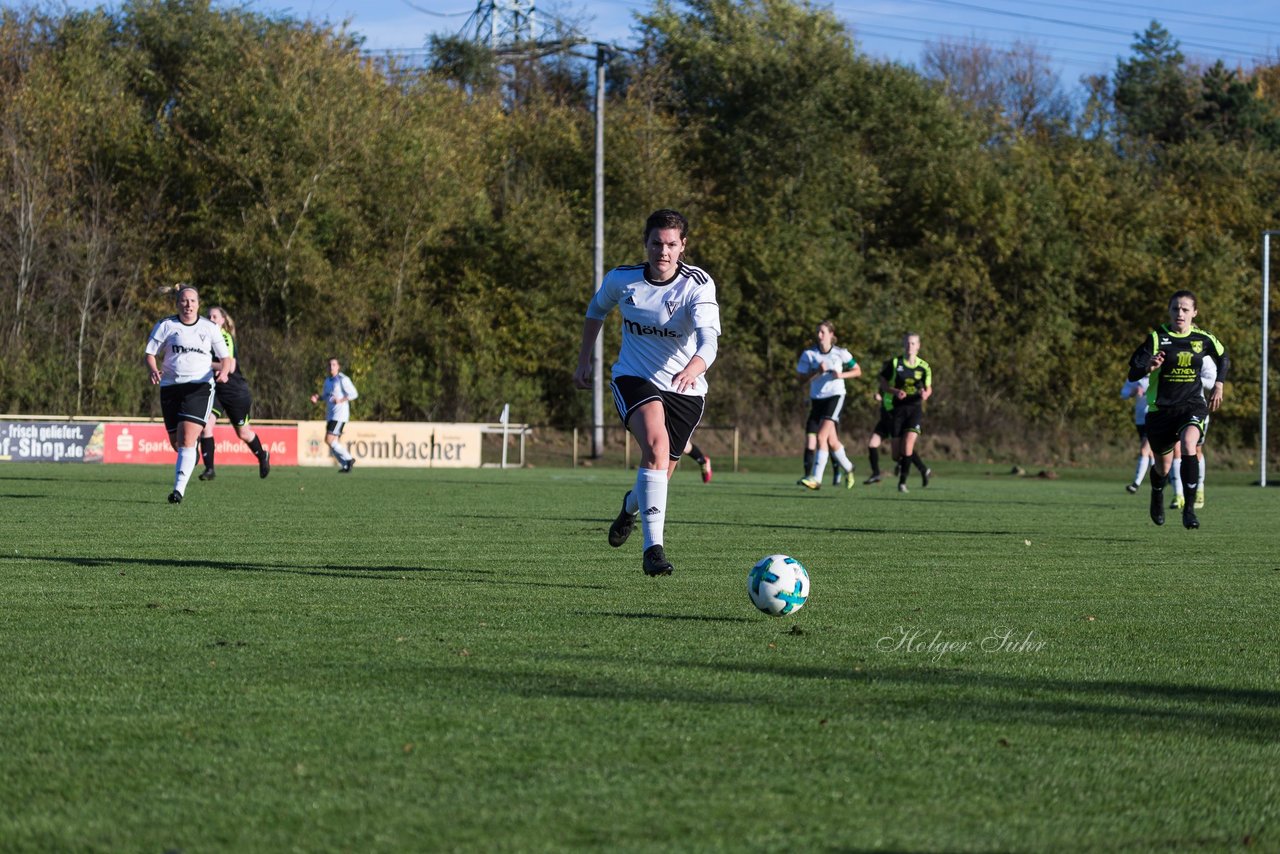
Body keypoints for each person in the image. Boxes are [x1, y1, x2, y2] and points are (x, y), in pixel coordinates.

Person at [573, 209, 720, 577]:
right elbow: (596, 310)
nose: (663, 251)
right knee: (654, 448)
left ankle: (629, 507)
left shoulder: (698, 285)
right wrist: (584, 359)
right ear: (646, 243)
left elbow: (709, 341)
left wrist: (694, 367)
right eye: (657, 243)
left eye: (672, 244)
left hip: (685, 388)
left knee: (659, 475)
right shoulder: (623, 280)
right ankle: (653, 550)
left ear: (683, 246)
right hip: (634, 378)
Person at [1126, 290, 1228, 529]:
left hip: (1192, 405)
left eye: (1185, 309)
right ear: (1169, 311)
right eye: (1175, 309)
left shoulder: (1204, 339)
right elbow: (1133, 372)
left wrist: (1219, 385)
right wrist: (1149, 367)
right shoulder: (1156, 338)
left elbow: (1223, 357)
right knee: (1162, 467)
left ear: (1194, 313)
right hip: (1161, 410)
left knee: (1190, 444)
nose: (1180, 313)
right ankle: (1157, 493)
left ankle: (1190, 510)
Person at [143, 284, 234, 503]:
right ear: (177, 303)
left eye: (192, 301)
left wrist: (224, 371)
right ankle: (190, 456)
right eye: (184, 300)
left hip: (199, 387)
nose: (188, 305)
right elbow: (150, 353)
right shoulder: (166, 325)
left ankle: (178, 491)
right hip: (170, 388)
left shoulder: (209, 328)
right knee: (177, 443)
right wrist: (154, 369)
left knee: (186, 439)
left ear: (198, 304)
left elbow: (226, 358)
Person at [196, 306, 271, 481]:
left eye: (215, 316)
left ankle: (262, 455)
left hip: (234, 391)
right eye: (209, 316)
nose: (211, 319)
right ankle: (209, 469)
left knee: (243, 433)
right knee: (206, 425)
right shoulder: (203, 339)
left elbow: (230, 366)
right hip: (215, 391)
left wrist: (205, 362)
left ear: (223, 320)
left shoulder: (224, 337)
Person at [796, 320, 860, 491]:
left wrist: (841, 375)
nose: (819, 335)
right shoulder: (809, 354)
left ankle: (816, 479)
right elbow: (801, 380)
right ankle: (849, 468)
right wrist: (817, 371)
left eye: (823, 332)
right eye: (818, 332)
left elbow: (857, 371)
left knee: (821, 437)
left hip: (835, 396)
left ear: (831, 335)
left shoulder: (841, 353)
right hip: (817, 399)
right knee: (832, 441)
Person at [880, 332, 933, 493]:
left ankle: (902, 483)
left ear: (918, 346)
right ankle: (923, 469)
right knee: (897, 454)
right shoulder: (895, 363)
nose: (910, 346)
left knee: (908, 444)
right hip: (898, 409)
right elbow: (883, 384)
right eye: (907, 343)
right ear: (904, 345)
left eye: (913, 343)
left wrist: (926, 394)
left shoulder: (924, 367)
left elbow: (928, 387)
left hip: (914, 409)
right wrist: (895, 391)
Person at [310, 358, 359, 472]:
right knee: (332, 442)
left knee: (329, 440)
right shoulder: (327, 381)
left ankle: (349, 459)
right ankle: (346, 465)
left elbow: (354, 394)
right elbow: (327, 396)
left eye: (334, 364)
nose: (331, 367)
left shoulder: (343, 379)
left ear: (338, 367)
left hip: (340, 415)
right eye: (329, 365)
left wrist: (341, 400)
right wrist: (318, 397)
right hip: (331, 415)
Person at [1121, 375, 1154, 494]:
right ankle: (1163, 478)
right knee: (1151, 453)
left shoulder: (1160, 374)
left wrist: (1147, 392)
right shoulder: (1137, 376)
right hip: (1140, 419)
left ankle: (1136, 484)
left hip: (1154, 418)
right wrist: (1133, 392)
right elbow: (1123, 393)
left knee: (1144, 450)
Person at [863, 392, 894, 484]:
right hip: (884, 421)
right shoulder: (883, 383)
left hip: (894, 420)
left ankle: (923, 469)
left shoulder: (897, 382)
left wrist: (883, 399)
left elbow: (897, 400)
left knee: (903, 450)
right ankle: (876, 473)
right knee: (872, 444)